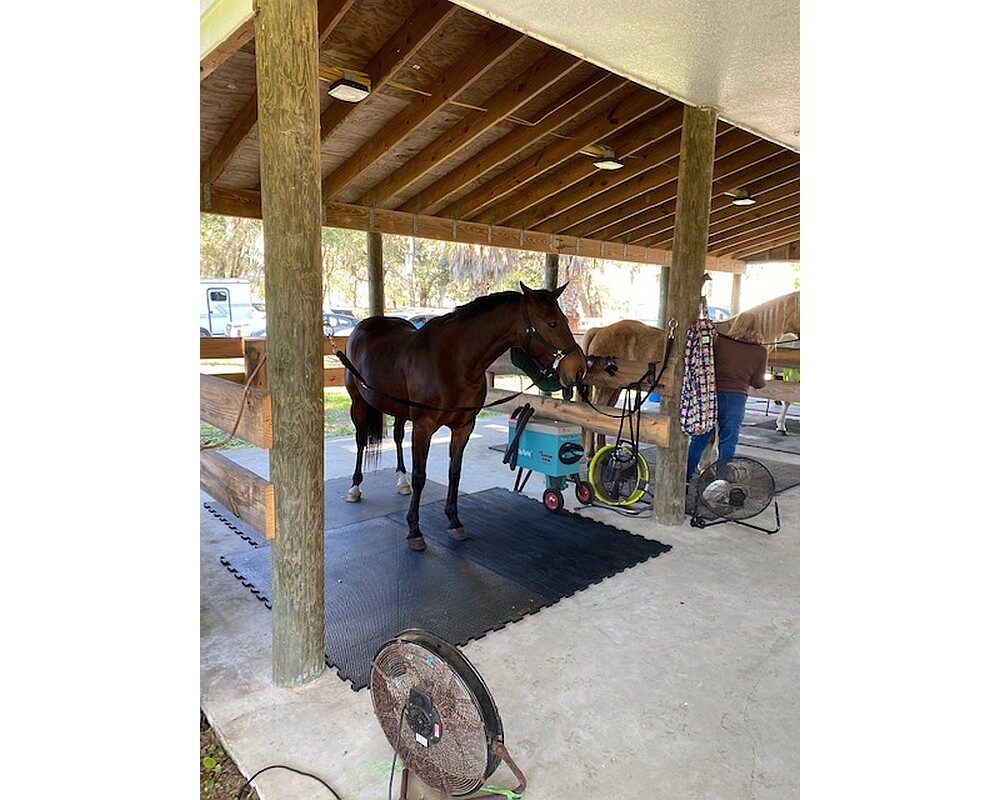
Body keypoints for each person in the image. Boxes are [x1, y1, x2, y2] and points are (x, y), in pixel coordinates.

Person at [686, 313, 768, 481]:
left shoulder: (719, 342)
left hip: (711, 395)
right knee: (728, 442)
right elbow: (758, 382)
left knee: (700, 439)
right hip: (736, 398)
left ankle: (685, 478)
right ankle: (721, 482)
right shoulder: (760, 351)